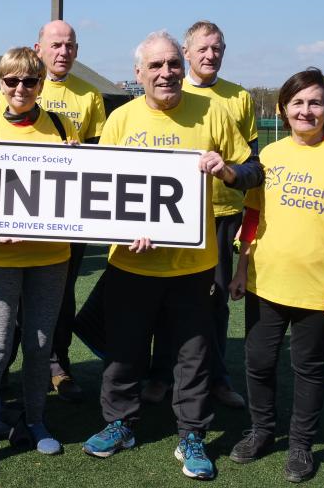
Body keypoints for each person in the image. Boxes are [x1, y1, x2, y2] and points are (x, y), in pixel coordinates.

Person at [82, 30, 261, 481]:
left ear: (182, 66)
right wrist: (123, 231)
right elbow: (101, 189)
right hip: (131, 262)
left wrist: (229, 170)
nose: (167, 73)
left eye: (172, 65)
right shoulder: (121, 120)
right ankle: (119, 423)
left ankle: (192, 434)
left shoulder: (214, 111)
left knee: (192, 355)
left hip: (194, 265)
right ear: (138, 74)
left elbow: (255, 170)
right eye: (156, 67)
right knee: (123, 352)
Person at [228, 68, 324, 483]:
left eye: (315, 102)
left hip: (320, 289)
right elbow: (253, 215)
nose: (306, 110)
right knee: (258, 362)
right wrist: (242, 268)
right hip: (265, 280)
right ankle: (260, 432)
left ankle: (300, 446)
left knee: (308, 367)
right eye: (297, 102)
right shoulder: (271, 155)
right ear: (284, 108)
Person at [0, 47, 79, 479]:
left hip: (51, 256)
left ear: (41, 82)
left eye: (30, 81)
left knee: (39, 345)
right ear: (2, 83)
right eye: (11, 81)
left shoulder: (63, 127)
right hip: (0, 257)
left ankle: (34, 420)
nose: (20, 89)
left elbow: (78, 195)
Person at [143, 21, 258, 409]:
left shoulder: (238, 98)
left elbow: (251, 164)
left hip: (221, 215)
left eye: (218, 48)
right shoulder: (167, 88)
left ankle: (216, 378)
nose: (211, 55)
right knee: (162, 299)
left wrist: (229, 171)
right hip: (166, 219)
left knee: (215, 302)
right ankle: (160, 375)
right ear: (186, 54)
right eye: (203, 49)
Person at [0, 20, 106, 401]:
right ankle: (4, 366)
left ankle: (58, 364)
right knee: (12, 299)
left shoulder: (89, 96)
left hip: (63, 221)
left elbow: (97, 161)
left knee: (61, 295)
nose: (64, 51)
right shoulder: (12, 86)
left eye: (71, 45)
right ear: (38, 48)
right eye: (56, 44)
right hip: (14, 218)